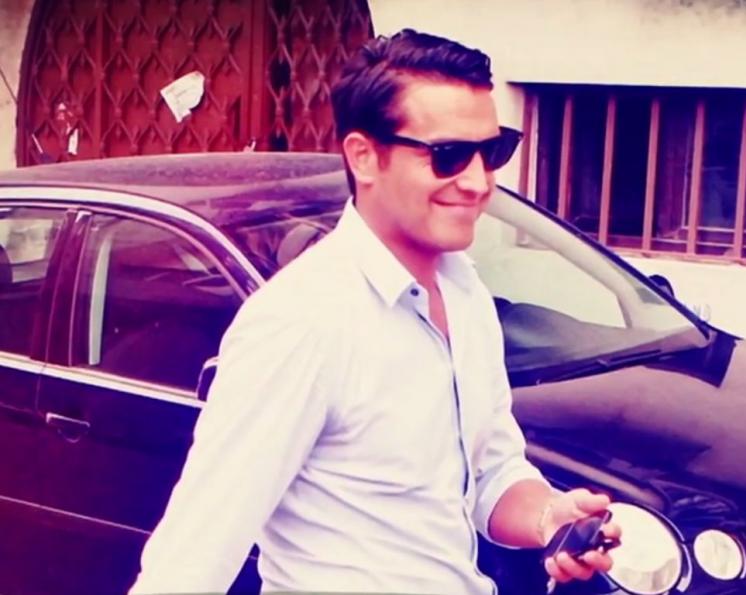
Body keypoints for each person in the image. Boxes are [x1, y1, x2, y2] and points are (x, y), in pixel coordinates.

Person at [130, 28, 620, 594]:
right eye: (448, 156)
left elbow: (490, 471)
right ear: (363, 157)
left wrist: (550, 517)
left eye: (493, 152)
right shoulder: (301, 321)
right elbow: (194, 554)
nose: (478, 182)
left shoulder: (465, 293)